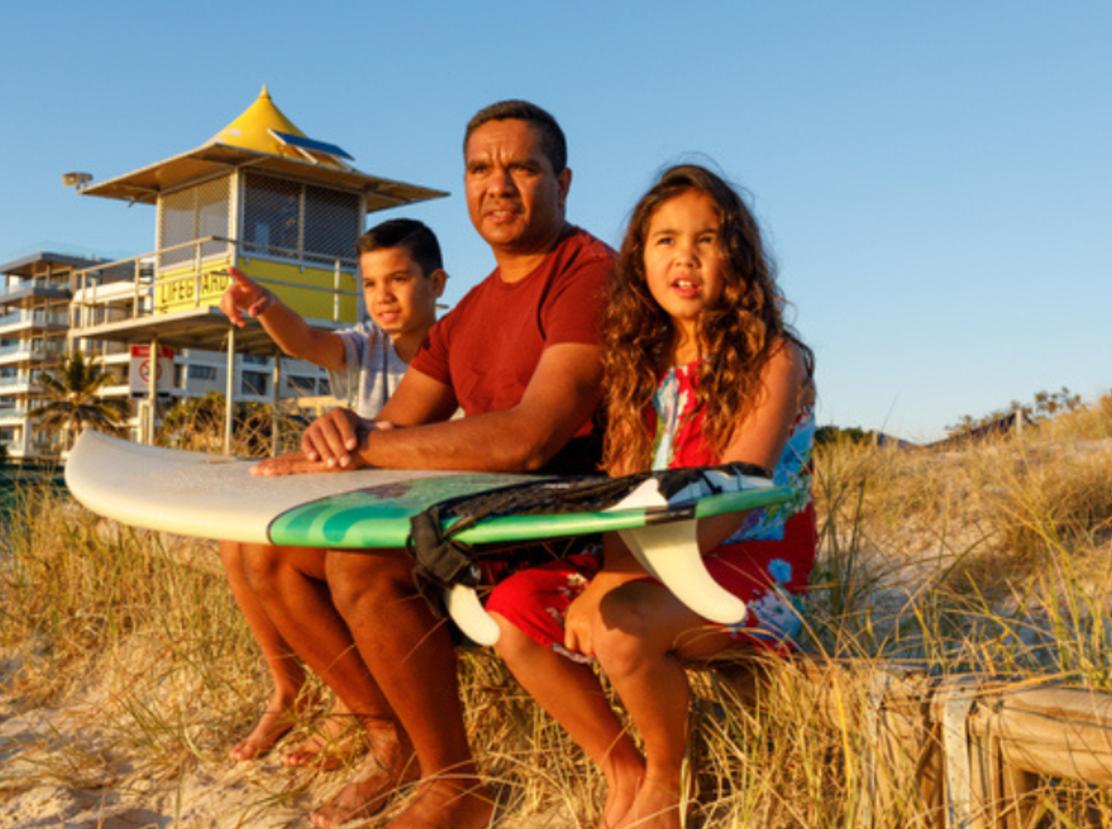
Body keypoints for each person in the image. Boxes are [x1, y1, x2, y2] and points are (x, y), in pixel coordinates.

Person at [244, 100, 616, 829]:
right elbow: (395, 420)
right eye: (481, 168)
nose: (498, 185)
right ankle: (390, 740)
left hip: (572, 510)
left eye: (522, 168)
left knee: (361, 564)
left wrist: (364, 443)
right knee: (272, 552)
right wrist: (333, 435)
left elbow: (531, 439)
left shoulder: (588, 273)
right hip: (484, 513)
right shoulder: (470, 310)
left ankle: (456, 781)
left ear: (563, 182)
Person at [484, 163, 817, 829]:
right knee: (510, 613)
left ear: (739, 257)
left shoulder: (773, 358)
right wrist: (607, 573)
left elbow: (737, 496)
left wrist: (613, 585)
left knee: (623, 624)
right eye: (664, 240)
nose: (684, 257)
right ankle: (623, 769)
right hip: (646, 566)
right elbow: (623, 494)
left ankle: (670, 777)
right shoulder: (640, 365)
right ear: (639, 259)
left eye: (707, 239)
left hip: (750, 567)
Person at [215, 218, 448, 768]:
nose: (383, 296)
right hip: (360, 502)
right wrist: (265, 303)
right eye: (370, 284)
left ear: (437, 283)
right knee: (237, 538)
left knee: (273, 552)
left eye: (399, 279)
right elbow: (307, 341)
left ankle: (355, 711)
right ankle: (291, 690)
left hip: (412, 514)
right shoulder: (366, 344)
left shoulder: (458, 343)